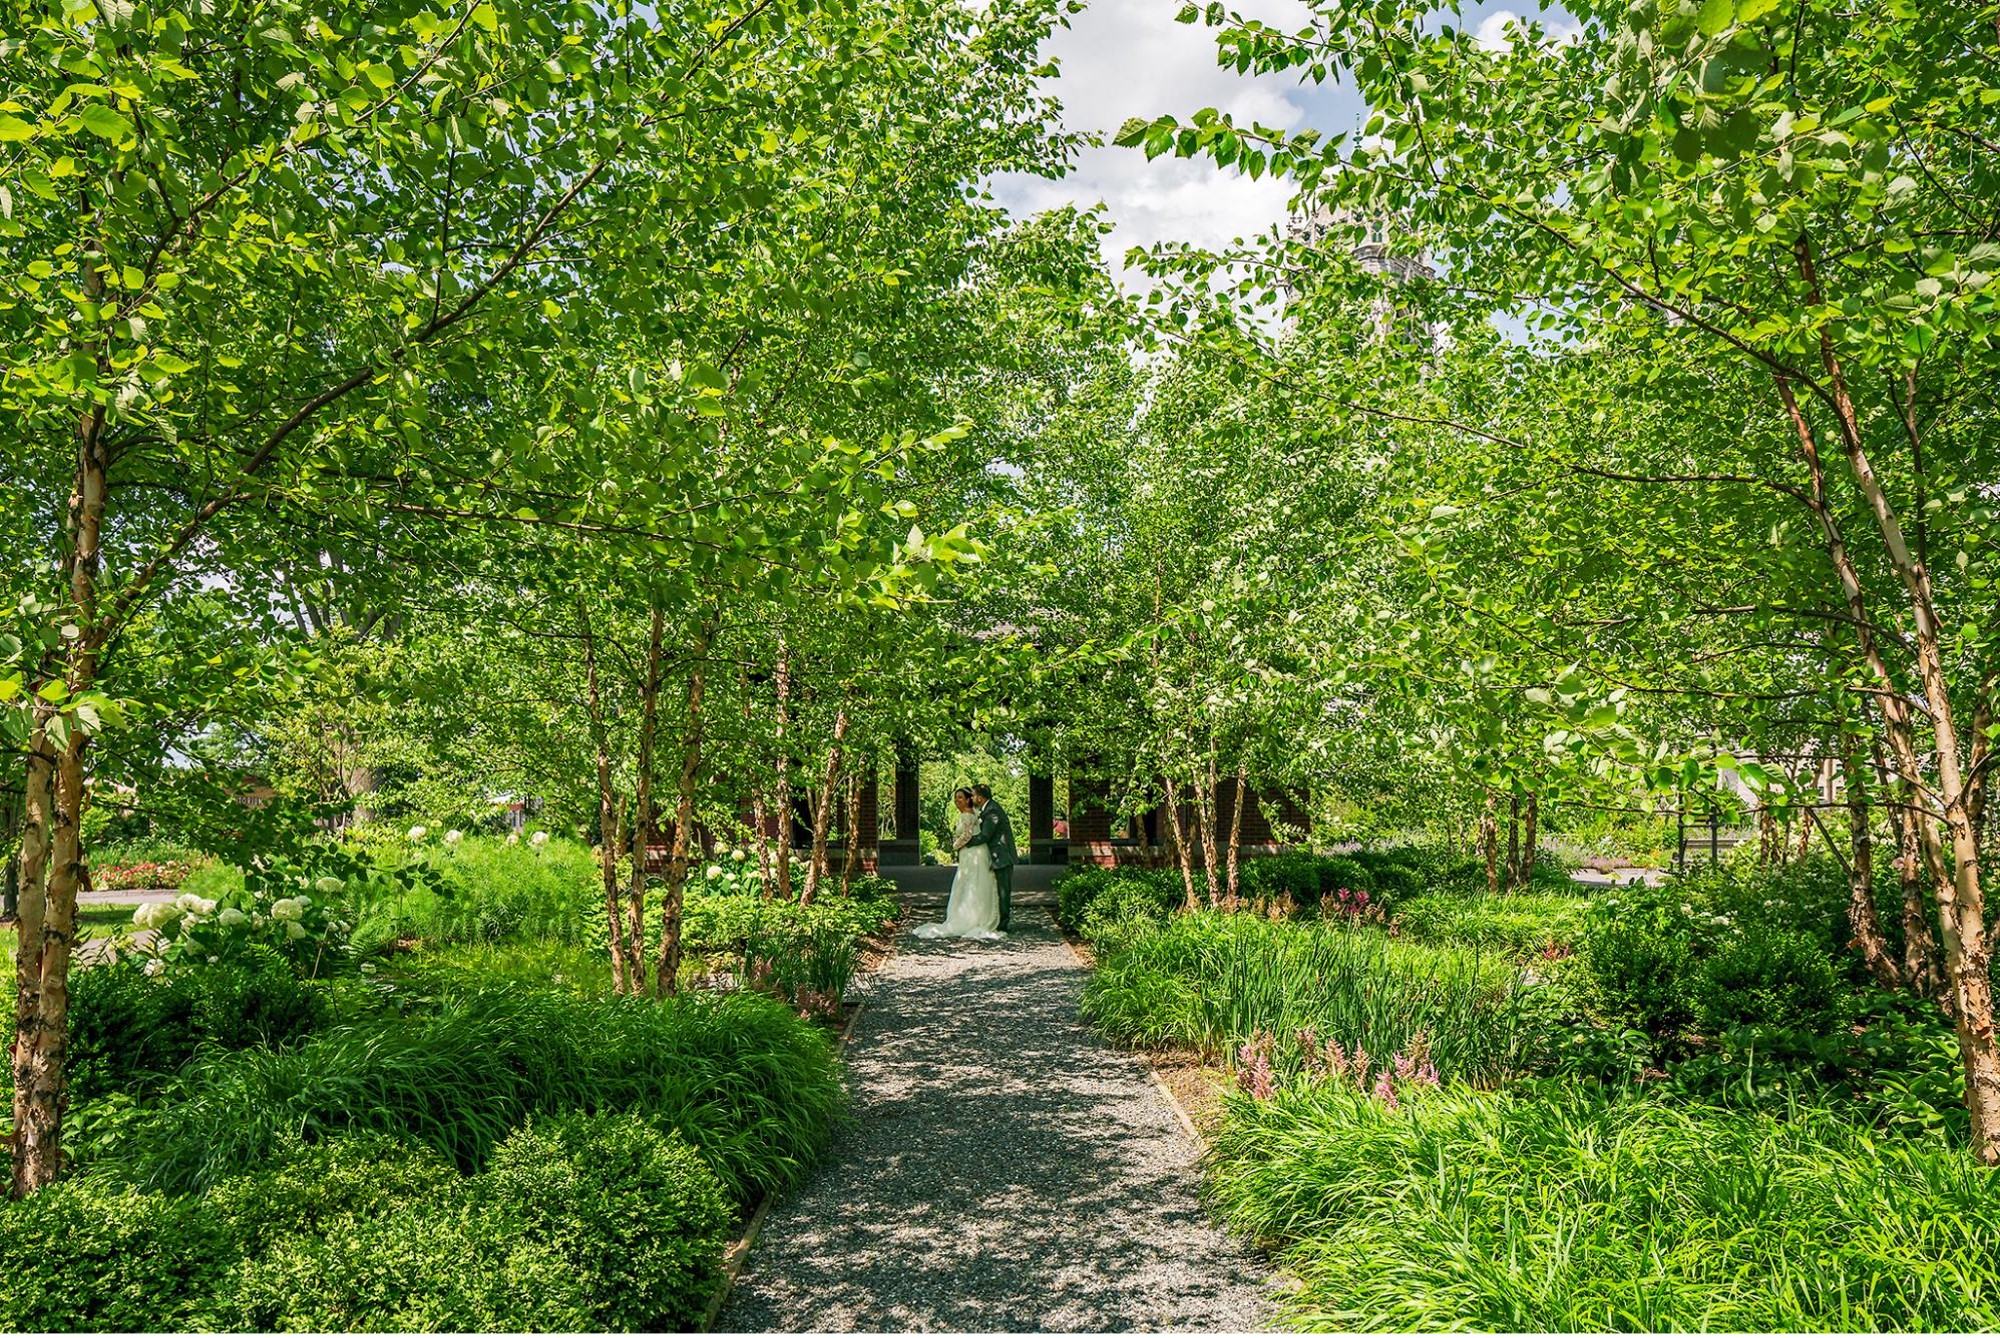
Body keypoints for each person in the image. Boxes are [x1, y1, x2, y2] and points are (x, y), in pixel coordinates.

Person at [911, 788, 1005, 941]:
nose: (957, 801)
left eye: (960, 798)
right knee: (975, 882)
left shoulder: (967, 815)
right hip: (976, 852)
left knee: (971, 882)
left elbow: (967, 835)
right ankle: (978, 916)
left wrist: (954, 846)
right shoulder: (974, 814)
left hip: (972, 852)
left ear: (968, 800)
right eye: (955, 798)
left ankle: (969, 918)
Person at [962, 782, 1017, 933]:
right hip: (998, 855)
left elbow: (986, 835)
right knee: (998, 890)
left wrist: (965, 842)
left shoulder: (992, 811)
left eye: (973, 795)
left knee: (1003, 891)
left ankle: (1003, 925)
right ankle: (999, 920)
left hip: (1002, 856)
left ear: (980, 798)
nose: (971, 798)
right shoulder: (988, 809)